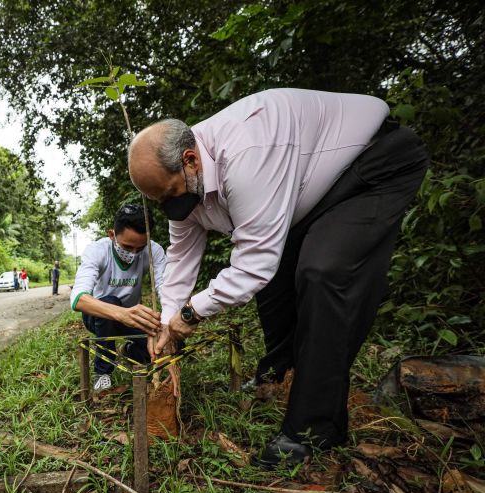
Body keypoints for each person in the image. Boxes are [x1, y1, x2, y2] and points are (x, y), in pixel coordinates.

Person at [127, 88, 429, 468]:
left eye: (170, 193)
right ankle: (278, 373)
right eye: (159, 202)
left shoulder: (247, 152)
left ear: (190, 160)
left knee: (323, 273)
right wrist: (165, 324)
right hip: (309, 190)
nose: (170, 207)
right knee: (275, 283)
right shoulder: (183, 179)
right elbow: (181, 257)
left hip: (371, 163)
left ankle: (315, 428)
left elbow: (254, 263)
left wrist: (189, 314)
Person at [71, 205, 166, 392]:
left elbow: (165, 289)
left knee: (171, 342)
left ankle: (131, 353)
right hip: (100, 316)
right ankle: (103, 373)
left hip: (132, 317)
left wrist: (166, 324)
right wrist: (120, 313)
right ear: (112, 235)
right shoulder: (97, 251)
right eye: (127, 246)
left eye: (140, 247)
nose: (133, 253)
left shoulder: (154, 251)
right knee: (110, 302)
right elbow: (78, 299)